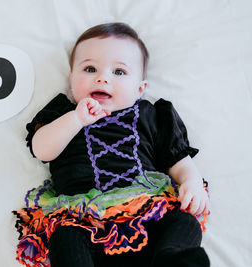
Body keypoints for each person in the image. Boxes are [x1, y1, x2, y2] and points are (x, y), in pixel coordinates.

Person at [13, 22, 210, 267]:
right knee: (64, 237)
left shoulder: (151, 116)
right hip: (84, 220)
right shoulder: (63, 112)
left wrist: (192, 181)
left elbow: (178, 161)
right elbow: (41, 149)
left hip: (146, 215)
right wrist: (77, 118)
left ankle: (170, 260)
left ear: (140, 89)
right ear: (72, 79)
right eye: (90, 68)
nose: (102, 78)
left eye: (119, 72)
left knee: (185, 221)